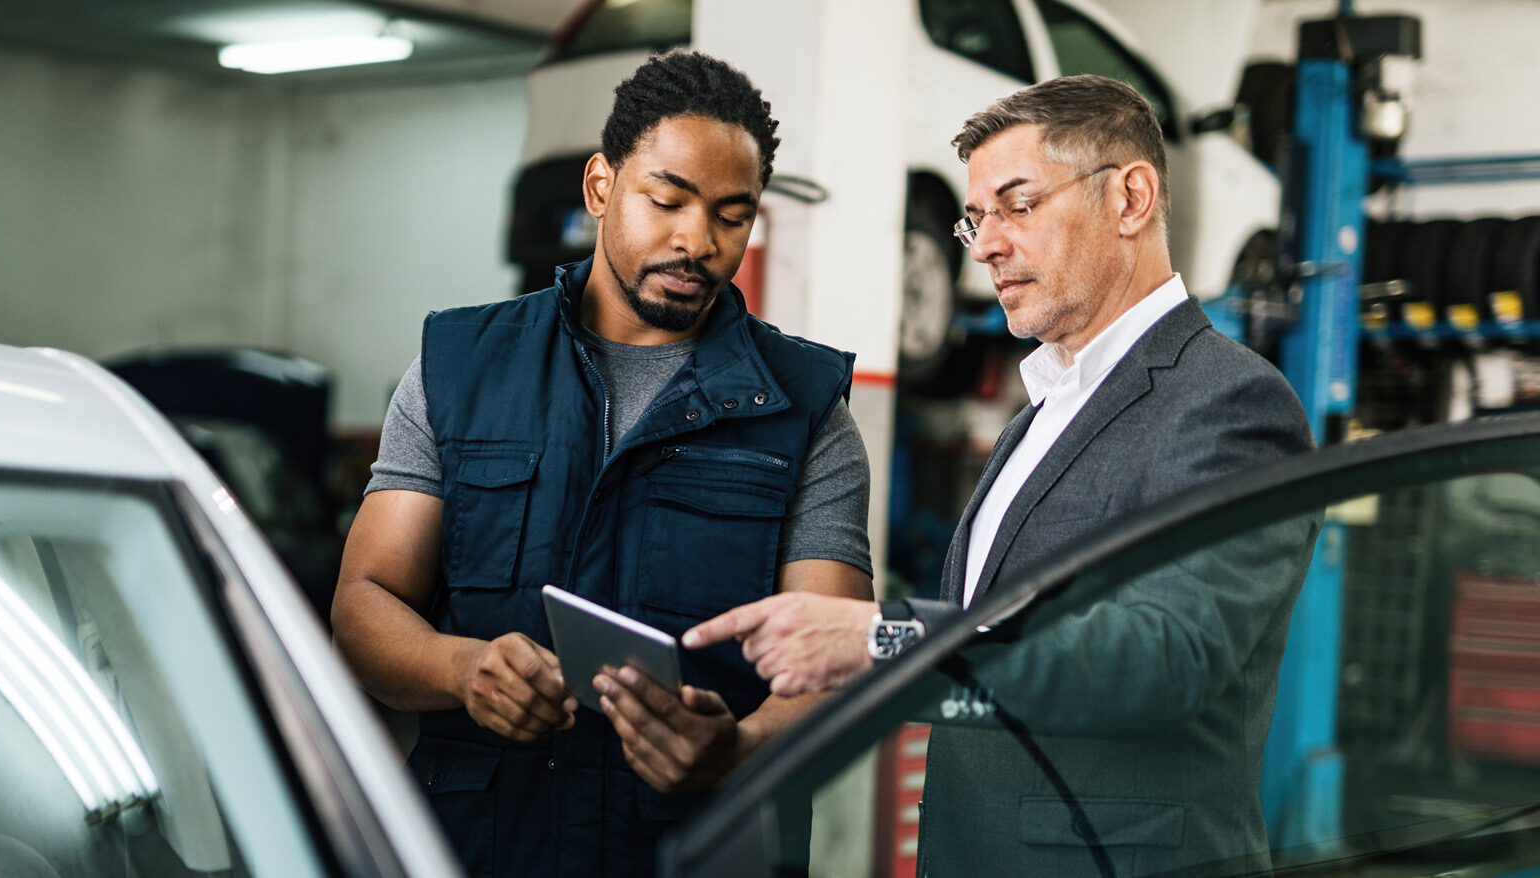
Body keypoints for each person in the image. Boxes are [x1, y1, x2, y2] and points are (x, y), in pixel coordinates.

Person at [685, 74, 1316, 876]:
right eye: (975, 218)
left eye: (1019, 205)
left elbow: (1166, 658)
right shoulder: (1041, 414)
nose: (984, 245)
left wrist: (883, 640)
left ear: (1130, 198)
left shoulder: (1230, 403)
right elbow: (999, 669)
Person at [330, 49, 874, 878]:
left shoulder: (805, 411)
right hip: (480, 846)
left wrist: (741, 747)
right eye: (668, 200)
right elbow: (365, 603)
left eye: (733, 214)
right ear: (599, 188)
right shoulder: (459, 367)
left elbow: (833, 662)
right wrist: (462, 667)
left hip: (696, 852)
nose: (697, 239)